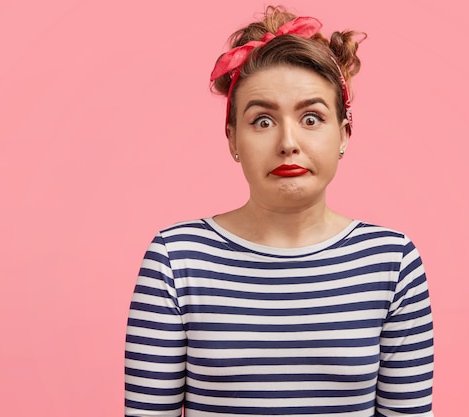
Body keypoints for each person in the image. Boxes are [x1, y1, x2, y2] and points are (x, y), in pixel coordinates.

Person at [125, 5, 434, 416]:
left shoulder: (391, 262)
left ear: (343, 134)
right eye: (262, 121)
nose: (288, 142)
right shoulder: (176, 259)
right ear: (232, 138)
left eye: (311, 117)